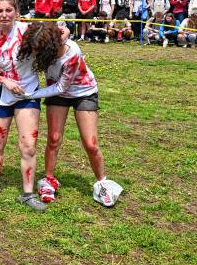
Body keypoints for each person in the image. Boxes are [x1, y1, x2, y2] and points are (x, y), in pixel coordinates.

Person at [17, 22, 122, 207]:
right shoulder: (51, 38)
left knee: (90, 143)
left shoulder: (71, 53)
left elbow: (61, 87)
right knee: (54, 138)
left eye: (39, 50)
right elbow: (59, 25)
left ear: (49, 47)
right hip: (57, 94)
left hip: (83, 92)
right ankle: (49, 179)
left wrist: (32, 94)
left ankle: (102, 182)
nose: (36, 53)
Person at [0, 0, 46, 212]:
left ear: (16, 12)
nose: (4, 15)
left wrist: (65, 33)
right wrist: (4, 80)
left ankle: (27, 193)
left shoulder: (29, 32)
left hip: (27, 96)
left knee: (29, 145)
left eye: (8, 10)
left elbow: (58, 34)